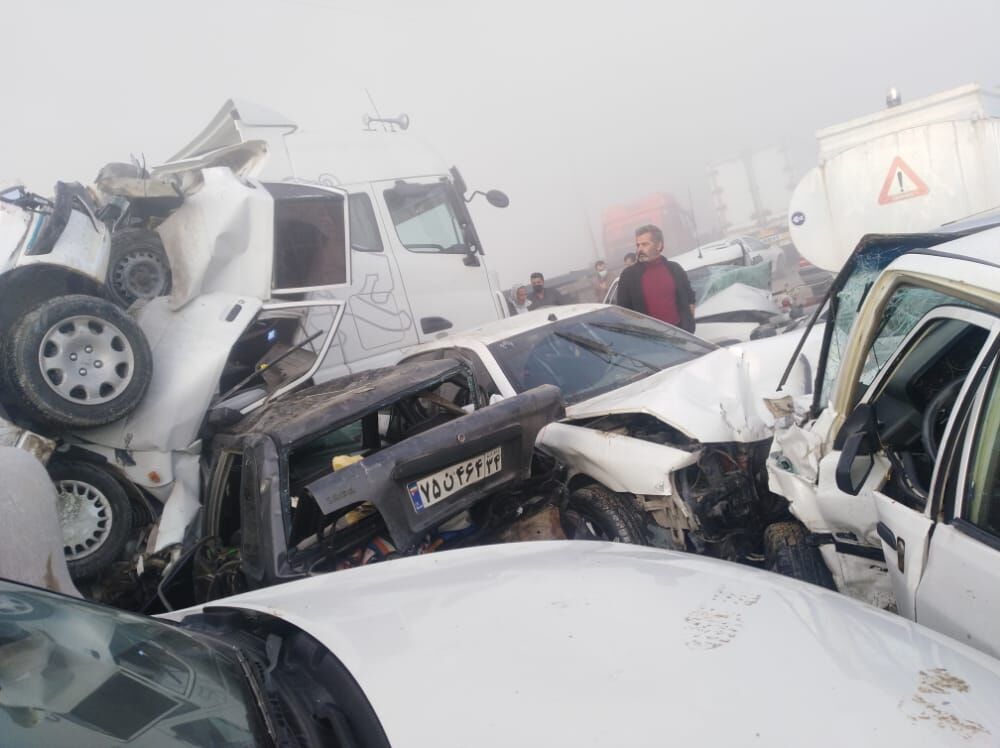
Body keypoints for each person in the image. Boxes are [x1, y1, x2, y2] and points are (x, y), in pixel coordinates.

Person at [616, 224, 696, 332]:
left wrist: (689, 327)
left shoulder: (675, 269)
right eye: (638, 245)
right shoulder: (628, 276)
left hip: (681, 336)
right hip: (651, 342)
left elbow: (690, 299)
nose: (640, 249)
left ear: (659, 245)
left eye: (645, 244)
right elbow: (624, 312)